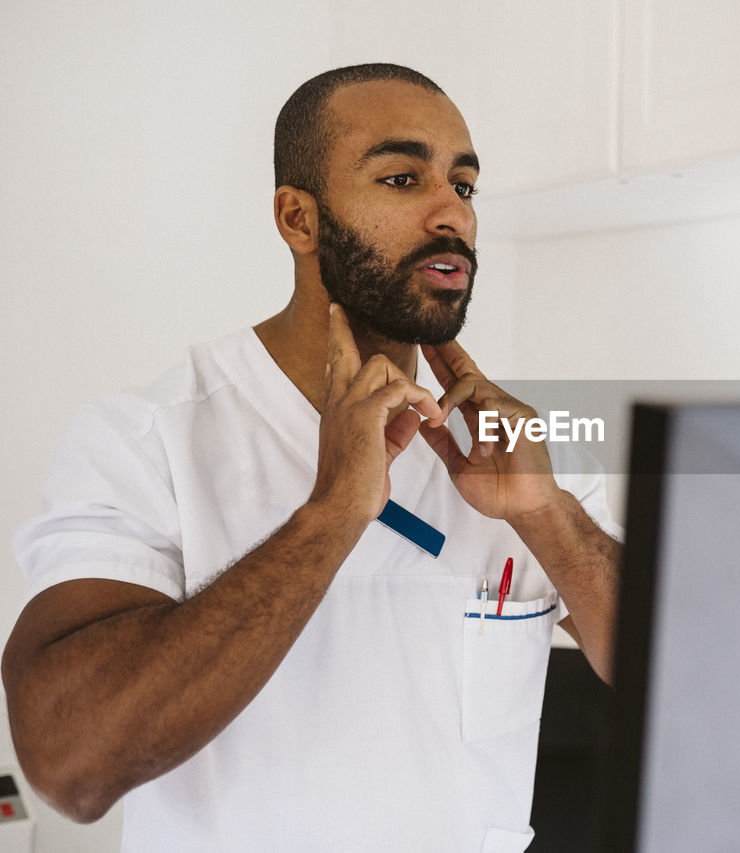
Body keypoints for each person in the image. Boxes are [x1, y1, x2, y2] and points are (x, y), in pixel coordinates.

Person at [1, 63, 621, 852]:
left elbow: (689, 687)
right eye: (403, 178)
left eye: (463, 188)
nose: (450, 215)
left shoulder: (514, 448)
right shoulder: (146, 438)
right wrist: (331, 514)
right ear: (299, 219)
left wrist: (548, 516)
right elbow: (69, 766)